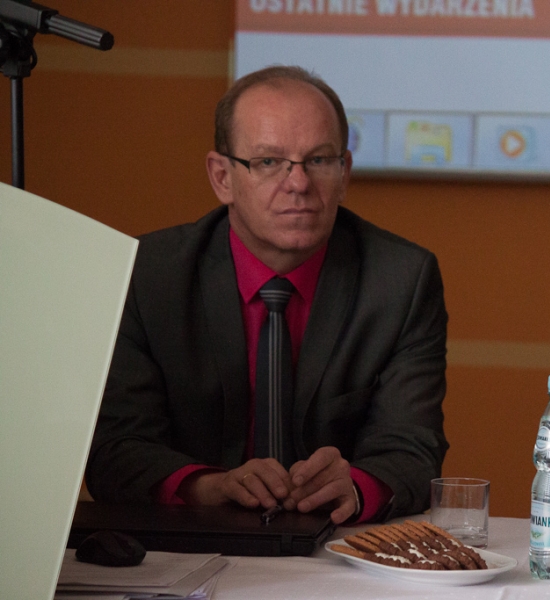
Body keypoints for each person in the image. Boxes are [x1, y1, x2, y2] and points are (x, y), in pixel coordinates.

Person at [86, 66, 449, 525]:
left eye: (319, 160)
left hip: (336, 543)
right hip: (186, 537)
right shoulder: (147, 275)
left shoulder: (400, 280)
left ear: (344, 174)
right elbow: (114, 448)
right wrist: (207, 486)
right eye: (268, 162)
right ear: (222, 177)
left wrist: (356, 486)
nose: (298, 183)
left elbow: (412, 447)